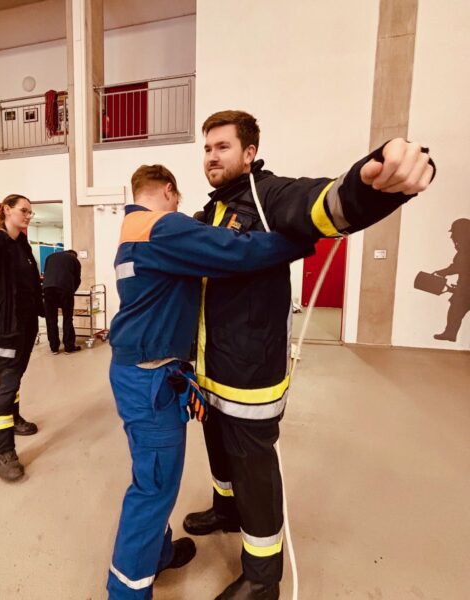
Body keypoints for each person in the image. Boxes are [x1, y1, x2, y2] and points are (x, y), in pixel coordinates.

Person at [182, 110, 436, 599]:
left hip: (250, 377)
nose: (211, 157)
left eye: (222, 147)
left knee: (254, 473)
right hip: (211, 370)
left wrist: (374, 181)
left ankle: (262, 578)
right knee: (219, 451)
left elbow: (323, 204)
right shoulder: (212, 210)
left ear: (249, 153)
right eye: (207, 148)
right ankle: (225, 509)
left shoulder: (269, 196)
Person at [107, 164, 313, 600]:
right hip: (150, 379)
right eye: (178, 199)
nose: (181, 207)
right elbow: (235, 251)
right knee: (154, 486)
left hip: (137, 372)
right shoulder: (163, 226)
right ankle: (125, 591)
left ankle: (158, 553)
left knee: (154, 475)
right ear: (168, 190)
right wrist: (299, 240)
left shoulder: (129, 229)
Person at [0, 194, 45, 482]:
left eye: (30, 212)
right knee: (7, 383)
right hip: (8, 329)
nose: (28, 215)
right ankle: (1, 452)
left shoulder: (21, 245)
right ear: (7, 210)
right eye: (23, 210)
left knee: (14, 378)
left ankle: (13, 419)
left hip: (26, 327)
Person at [433, 218, 470, 341]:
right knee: (455, 307)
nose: (452, 237)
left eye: (454, 233)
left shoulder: (466, 250)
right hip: (464, 288)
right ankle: (450, 333)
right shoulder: (464, 249)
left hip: (466, 289)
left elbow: (458, 266)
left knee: (456, 307)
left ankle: (450, 333)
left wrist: (442, 272)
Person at [43, 249, 82, 354]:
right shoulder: (74, 260)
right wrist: (71, 291)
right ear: (74, 255)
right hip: (65, 289)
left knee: (51, 319)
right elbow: (77, 279)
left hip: (48, 289)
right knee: (67, 318)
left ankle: (54, 348)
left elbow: (46, 274)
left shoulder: (50, 257)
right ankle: (69, 347)